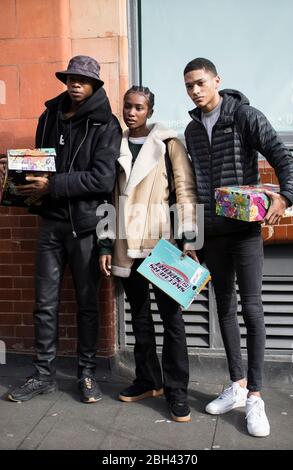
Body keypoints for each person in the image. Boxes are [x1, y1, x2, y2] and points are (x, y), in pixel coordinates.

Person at [183, 57, 293, 437]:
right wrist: (194, 236)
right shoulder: (191, 130)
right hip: (213, 233)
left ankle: (256, 396)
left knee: (252, 309)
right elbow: (196, 188)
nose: (196, 90)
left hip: (245, 229)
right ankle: (235, 386)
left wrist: (285, 198)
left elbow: (283, 159)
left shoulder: (245, 116)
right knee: (225, 308)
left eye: (201, 82)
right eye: (189, 86)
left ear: (217, 80)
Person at [7, 55, 122, 403]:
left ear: (94, 85)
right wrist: (19, 173)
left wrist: (52, 185)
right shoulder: (49, 116)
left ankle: (86, 374)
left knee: (87, 304)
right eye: (71, 78)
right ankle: (43, 375)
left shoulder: (106, 125)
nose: (75, 84)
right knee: (44, 304)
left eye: (82, 80)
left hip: (86, 226)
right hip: (52, 224)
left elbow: (102, 180)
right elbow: (40, 163)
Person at [99, 86, 198, 422]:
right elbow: (106, 198)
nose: (131, 112)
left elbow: (186, 191)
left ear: (150, 111)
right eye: (127, 106)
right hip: (127, 244)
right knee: (139, 317)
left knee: (172, 321)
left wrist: (188, 239)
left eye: (139, 107)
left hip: (162, 244)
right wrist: (105, 243)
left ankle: (177, 393)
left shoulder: (170, 144)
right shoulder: (116, 145)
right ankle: (147, 380)